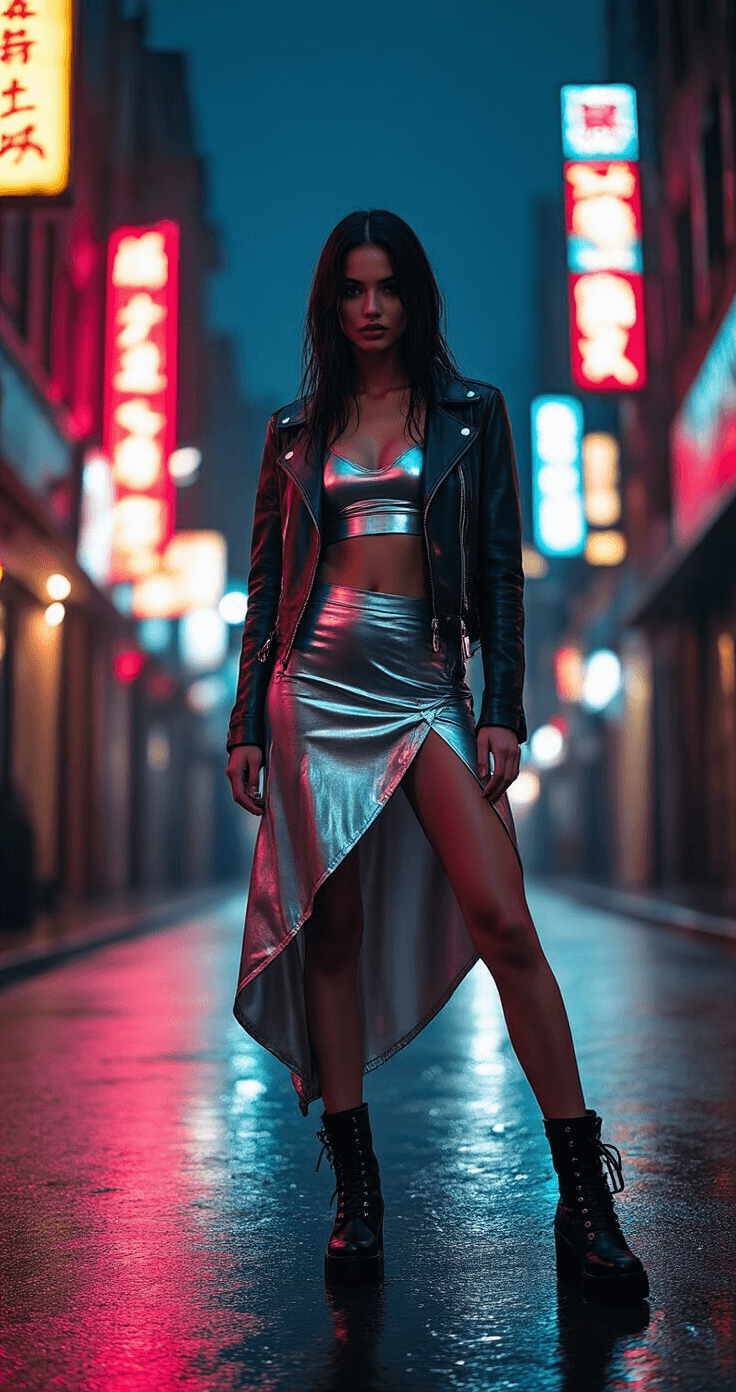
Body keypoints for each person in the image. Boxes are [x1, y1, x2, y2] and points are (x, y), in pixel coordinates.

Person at [226, 210, 648, 1304]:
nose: (370, 309)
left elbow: (499, 574)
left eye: (388, 289)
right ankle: (357, 1202)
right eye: (352, 291)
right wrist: (242, 726)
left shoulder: (472, 415)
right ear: (331, 304)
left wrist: (500, 708)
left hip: (427, 689)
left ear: (415, 298)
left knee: (503, 918)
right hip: (310, 689)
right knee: (334, 933)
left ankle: (584, 1199)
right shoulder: (291, 432)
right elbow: (264, 592)